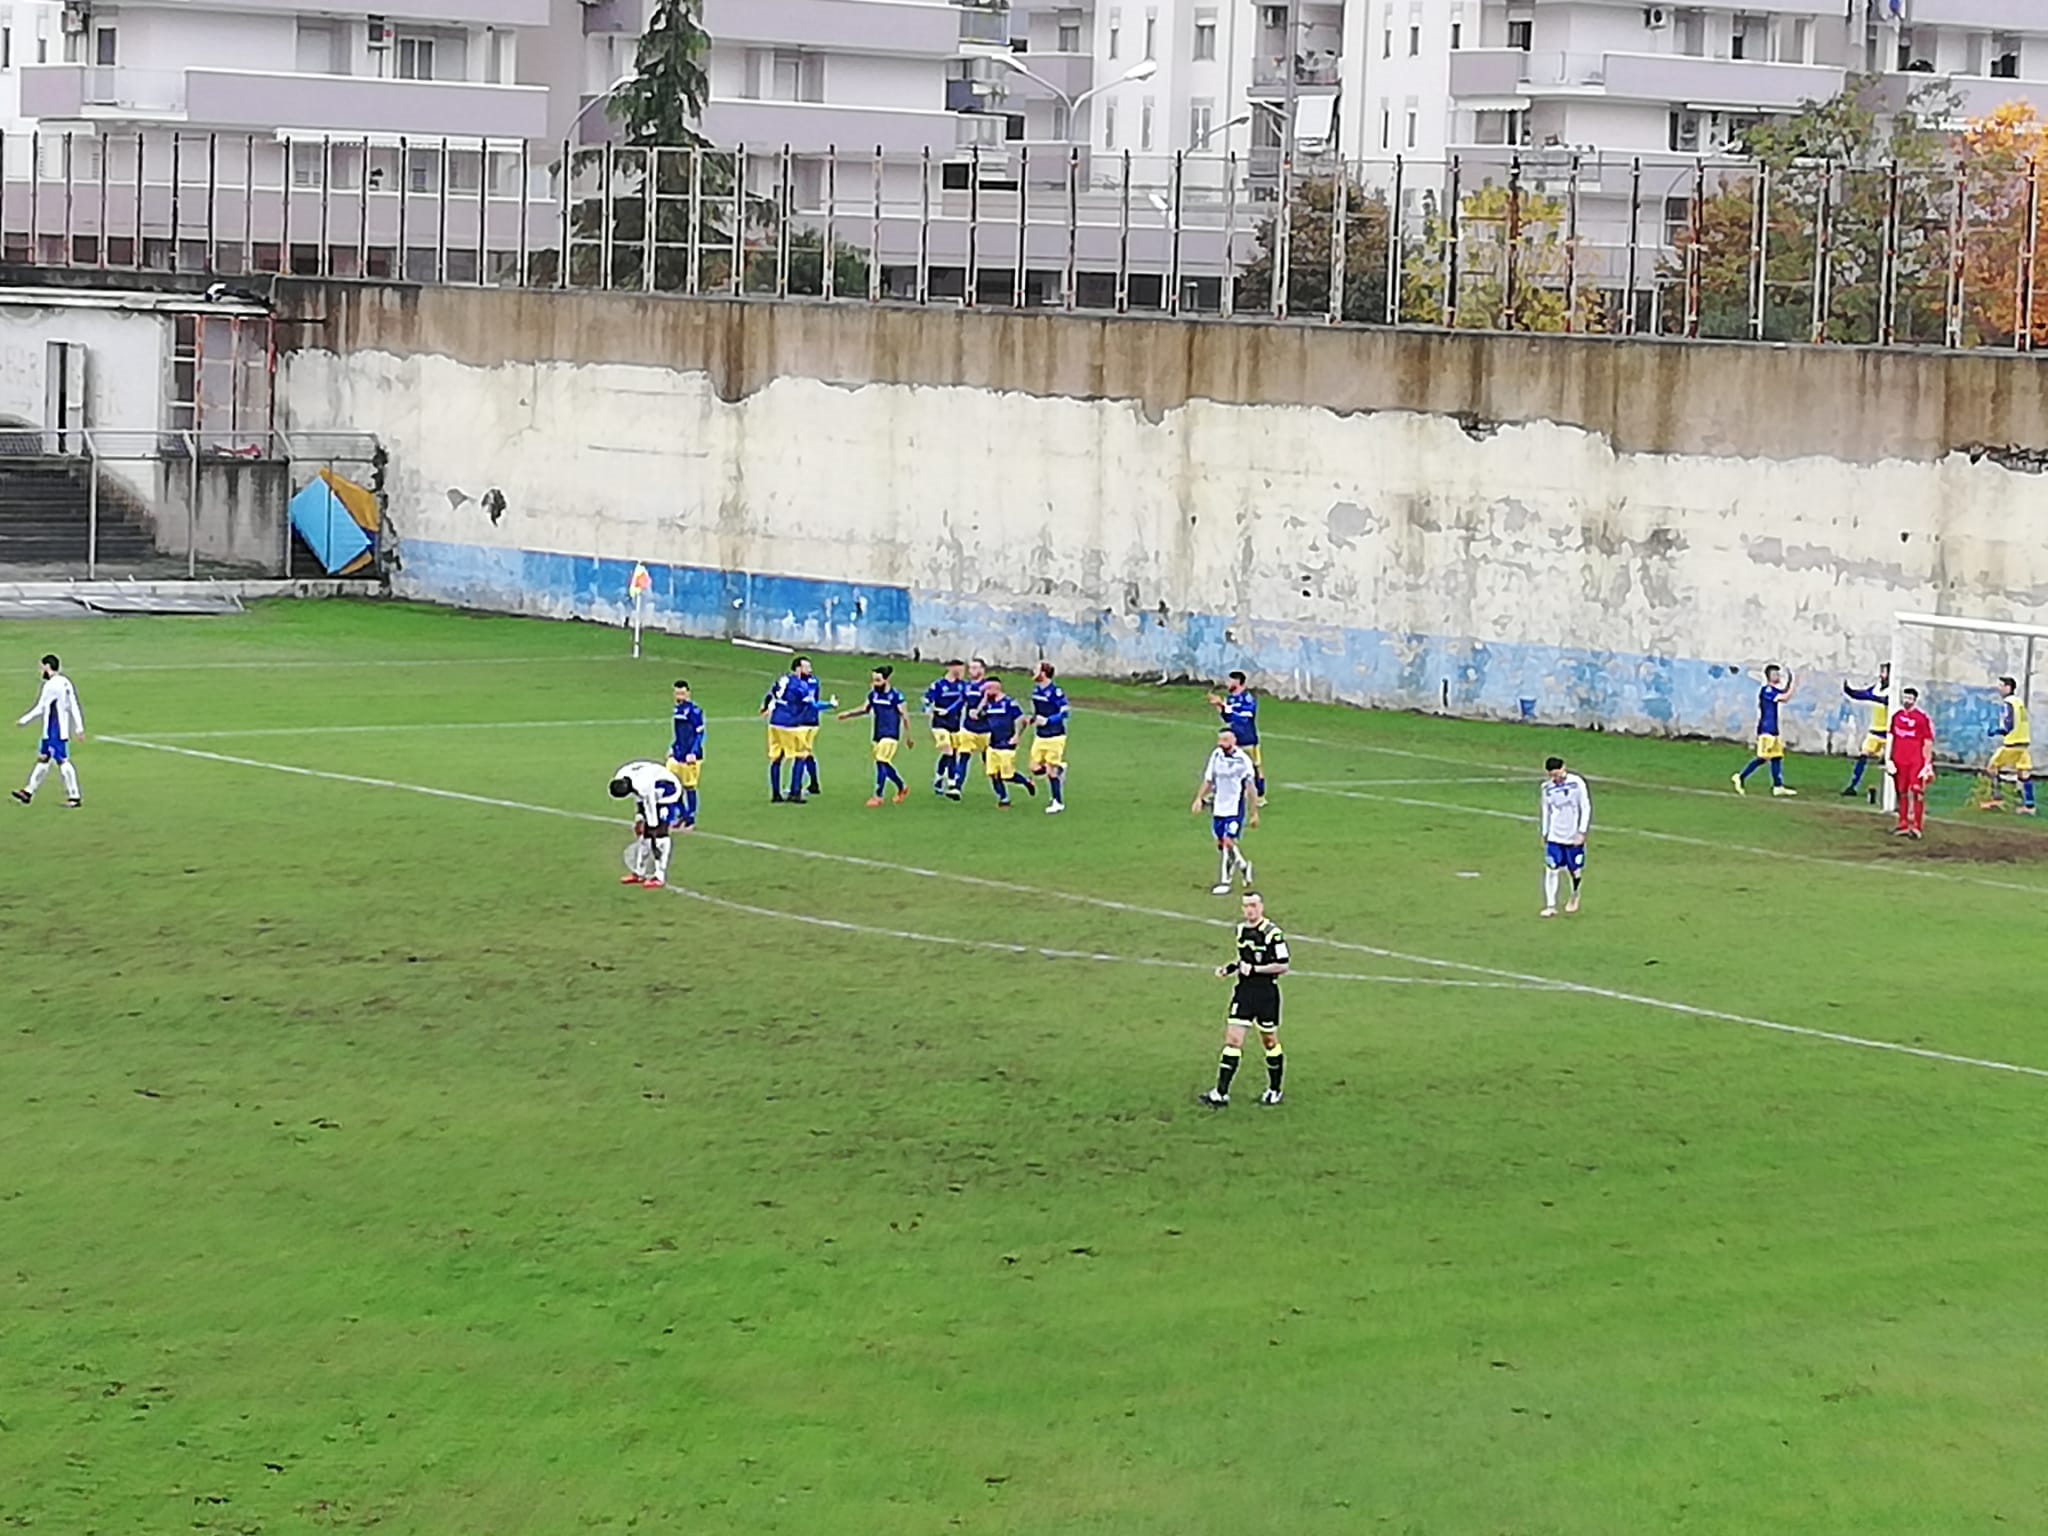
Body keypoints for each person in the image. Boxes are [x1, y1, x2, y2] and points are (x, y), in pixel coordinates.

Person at [1197, 891, 1289, 1108]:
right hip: (1244, 993)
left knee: (1269, 1042)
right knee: (1233, 1040)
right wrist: (1230, 968)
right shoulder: (1241, 930)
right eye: (1246, 906)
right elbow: (1243, 959)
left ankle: (1274, 1090)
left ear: (1262, 907)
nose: (1250, 910)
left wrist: (1255, 969)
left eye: (1254, 905)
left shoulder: (1272, 933)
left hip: (1266, 994)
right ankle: (1220, 1093)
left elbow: (1283, 965)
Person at [12, 653, 84, 808]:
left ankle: (74, 796)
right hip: (54, 729)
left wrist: (24, 720)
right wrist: (79, 727)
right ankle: (28, 792)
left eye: (42, 667)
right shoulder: (65, 682)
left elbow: (41, 708)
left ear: (47, 667)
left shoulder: (50, 685)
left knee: (62, 760)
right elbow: (74, 704)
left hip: (54, 730)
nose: (41, 671)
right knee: (44, 758)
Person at [1192, 729, 1258, 895]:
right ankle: (1243, 866)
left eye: (1226, 739)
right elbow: (1209, 780)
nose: (1222, 743)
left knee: (1228, 842)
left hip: (1235, 808)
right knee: (1222, 844)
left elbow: (1251, 787)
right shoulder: (1216, 756)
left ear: (1234, 741)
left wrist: (1254, 812)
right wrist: (1199, 798)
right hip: (1219, 807)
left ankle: (1225, 882)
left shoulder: (1243, 761)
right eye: (1221, 740)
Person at [839, 665, 914, 807]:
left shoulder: (896, 696)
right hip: (877, 734)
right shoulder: (873, 695)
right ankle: (902, 786)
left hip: (891, 735)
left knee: (881, 761)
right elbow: (865, 709)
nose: (874, 683)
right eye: (873, 680)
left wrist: (908, 737)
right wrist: (848, 714)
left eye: (878, 680)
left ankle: (878, 795)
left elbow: (905, 716)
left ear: (886, 680)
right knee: (882, 764)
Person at [762, 657, 831, 805]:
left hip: (775, 723)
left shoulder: (782, 680)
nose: (810, 670)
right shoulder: (800, 686)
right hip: (790, 725)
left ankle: (775, 794)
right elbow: (812, 705)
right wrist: (830, 705)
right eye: (807, 667)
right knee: (800, 756)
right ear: (798, 668)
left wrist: (765, 707)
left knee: (776, 758)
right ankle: (795, 792)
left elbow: (770, 695)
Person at [610, 759, 684, 889]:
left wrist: (653, 828)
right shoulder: (622, 775)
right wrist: (639, 819)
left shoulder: (643, 785)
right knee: (645, 835)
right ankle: (639, 873)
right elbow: (638, 798)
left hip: (667, 791)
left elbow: (649, 805)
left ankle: (659, 876)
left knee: (659, 835)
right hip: (651, 786)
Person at [968, 676, 1035, 807]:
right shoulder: (988, 704)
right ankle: (1003, 798)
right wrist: (984, 700)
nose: (984, 691)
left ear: (996, 688)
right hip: (992, 743)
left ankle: (1026, 782)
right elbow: (975, 716)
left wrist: (1017, 736)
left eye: (987, 689)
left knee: (1007, 775)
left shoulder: (1009, 703)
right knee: (993, 774)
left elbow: (1021, 720)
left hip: (1007, 743)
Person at [1732, 663, 1797, 797]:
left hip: (1773, 729)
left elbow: (1784, 692)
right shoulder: (1766, 691)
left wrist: (1791, 680)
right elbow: (1785, 697)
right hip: (1766, 729)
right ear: (1769, 676)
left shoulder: (1773, 691)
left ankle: (1778, 786)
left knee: (1777, 757)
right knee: (1763, 757)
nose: (1778, 676)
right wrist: (1796, 684)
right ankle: (1740, 776)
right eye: (1775, 674)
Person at [1538, 755, 1592, 918]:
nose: (1556, 778)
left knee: (1574, 870)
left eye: (1558, 774)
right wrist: (1545, 832)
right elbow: (1546, 810)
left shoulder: (1577, 783)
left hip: (1573, 834)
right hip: (1555, 835)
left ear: (1564, 768)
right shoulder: (1546, 788)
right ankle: (1550, 905)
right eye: (1552, 775)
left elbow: (1585, 806)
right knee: (1551, 868)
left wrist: (1582, 832)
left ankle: (1575, 894)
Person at [1207, 671, 1265, 804]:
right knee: (1224, 765)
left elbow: (1245, 717)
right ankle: (1217, 792)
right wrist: (1220, 707)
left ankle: (1259, 796)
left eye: (1231, 681)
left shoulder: (1247, 698)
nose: (1228, 684)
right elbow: (1227, 718)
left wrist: (1225, 706)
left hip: (1248, 738)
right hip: (1233, 739)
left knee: (1254, 768)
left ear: (1238, 682)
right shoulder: (1231, 698)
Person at [1983, 674, 2035, 815]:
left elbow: (2009, 723)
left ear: (2008, 687)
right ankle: (2029, 806)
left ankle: (1996, 799)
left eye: (2001, 685)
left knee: (1992, 768)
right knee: (2024, 773)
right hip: (2023, 742)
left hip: (2012, 743)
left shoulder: (2008, 703)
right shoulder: (2019, 702)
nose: (1998, 689)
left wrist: (1997, 731)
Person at [1889, 687, 1936, 838]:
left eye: (1910, 698)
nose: (1907, 700)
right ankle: (1903, 823)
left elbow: (1927, 741)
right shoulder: (1896, 716)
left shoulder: (1921, 718)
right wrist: (1888, 758)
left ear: (1915, 700)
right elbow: (1891, 736)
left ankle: (1916, 826)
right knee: (1901, 792)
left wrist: (1927, 764)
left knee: (1916, 791)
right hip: (1899, 759)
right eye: (1905, 697)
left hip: (1915, 760)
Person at [923, 659, 973, 799]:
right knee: (948, 750)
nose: (963, 673)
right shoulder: (939, 685)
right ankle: (950, 781)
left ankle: (940, 777)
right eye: (960, 670)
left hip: (955, 724)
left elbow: (965, 700)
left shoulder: (963, 686)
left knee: (954, 752)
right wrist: (929, 708)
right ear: (951, 668)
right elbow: (927, 699)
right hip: (939, 723)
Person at [1840, 665, 1891, 798]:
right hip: (1875, 731)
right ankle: (1853, 785)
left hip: (1889, 734)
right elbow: (1864, 695)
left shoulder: (1893, 692)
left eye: (1884, 673)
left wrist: (1872, 697)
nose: (1881, 675)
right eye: (1881, 672)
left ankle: (1893, 793)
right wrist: (1850, 691)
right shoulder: (1877, 688)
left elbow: (1878, 698)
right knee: (1863, 756)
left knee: (1890, 763)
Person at [1029, 661, 1070, 815]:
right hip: (1040, 735)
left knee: (1050, 771)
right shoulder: (1035, 691)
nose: (1033, 671)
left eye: (1036, 669)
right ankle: (1059, 769)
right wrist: (1032, 720)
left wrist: (1048, 720)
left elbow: (1065, 712)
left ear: (1043, 673)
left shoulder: (1055, 692)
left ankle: (1057, 802)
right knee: (1034, 768)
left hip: (1055, 735)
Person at [667, 679, 706, 830]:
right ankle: (682, 814)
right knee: (670, 785)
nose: (679, 696)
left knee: (689, 787)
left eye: (682, 693)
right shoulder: (677, 710)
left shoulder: (694, 711)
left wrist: (693, 752)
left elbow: (700, 734)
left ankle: (690, 818)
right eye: (677, 693)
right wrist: (672, 746)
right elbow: (679, 733)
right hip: (677, 754)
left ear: (688, 693)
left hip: (690, 757)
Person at [951, 657, 992, 795]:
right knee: (963, 756)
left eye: (975, 668)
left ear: (982, 670)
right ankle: (957, 787)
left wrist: (981, 713)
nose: (972, 671)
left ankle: (1004, 793)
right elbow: (960, 701)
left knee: (990, 765)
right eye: (971, 668)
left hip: (986, 731)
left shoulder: (989, 686)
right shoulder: (967, 686)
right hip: (969, 729)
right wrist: (948, 711)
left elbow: (994, 706)